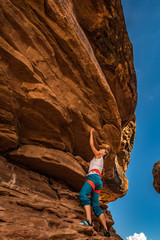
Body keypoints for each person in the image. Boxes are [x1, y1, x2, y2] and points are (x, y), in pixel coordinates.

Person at [79, 128, 111, 237]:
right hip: (98, 182)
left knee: (83, 195)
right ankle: (106, 231)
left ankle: (88, 220)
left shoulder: (98, 155)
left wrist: (91, 133)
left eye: (102, 150)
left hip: (93, 177)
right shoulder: (100, 161)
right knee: (96, 205)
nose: (100, 149)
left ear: (103, 153)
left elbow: (91, 145)